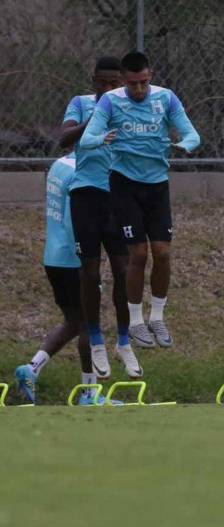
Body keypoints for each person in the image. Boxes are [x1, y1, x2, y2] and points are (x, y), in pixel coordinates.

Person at [79, 51, 201, 351]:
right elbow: (86, 138)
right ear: (124, 81)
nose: (139, 90)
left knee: (162, 252)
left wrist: (183, 145)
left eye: (144, 83)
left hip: (157, 185)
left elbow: (192, 134)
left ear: (151, 76)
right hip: (124, 184)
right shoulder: (111, 101)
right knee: (139, 255)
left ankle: (157, 316)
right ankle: (135, 321)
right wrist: (102, 138)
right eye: (133, 84)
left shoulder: (166, 99)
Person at [58, 56, 135, 379]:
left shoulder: (133, 107)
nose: (107, 89)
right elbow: (63, 139)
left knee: (123, 269)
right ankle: (96, 337)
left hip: (119, 195)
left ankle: (124, 339)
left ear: (123, 83)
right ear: (93, 82)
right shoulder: (81, 104)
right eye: (101, 83)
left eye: (113, 84)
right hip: (86, 194)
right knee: (89, 272)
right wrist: (95, 120)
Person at [14, 153, 98, 404]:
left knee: (74, 321)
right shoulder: (82, 172)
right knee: (89, 325)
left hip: (53, 255)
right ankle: (89, 393)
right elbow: (76, 223)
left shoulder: (59, 165)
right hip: (74, 259)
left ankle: (32, 368)